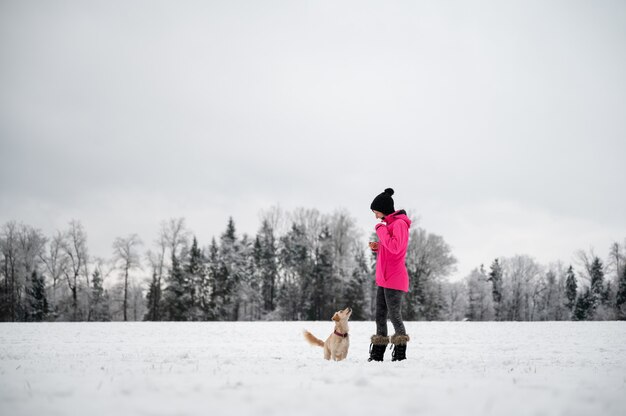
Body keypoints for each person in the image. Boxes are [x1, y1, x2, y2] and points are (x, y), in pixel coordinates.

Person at [367, 188, 411, 362]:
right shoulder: (390, 226)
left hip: (395, 278)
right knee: (380, 316)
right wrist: (378, 246)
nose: (376, 216)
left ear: (383, 209)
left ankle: (400, 353)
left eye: (376, 212)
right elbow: (390, 247)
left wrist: (380, 230)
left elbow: (395, 247)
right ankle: (378, 353)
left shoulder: (399, 224)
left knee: (394, 315)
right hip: (383, 278)